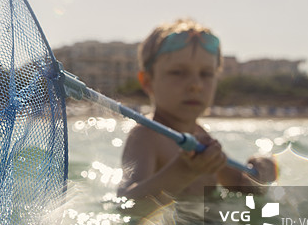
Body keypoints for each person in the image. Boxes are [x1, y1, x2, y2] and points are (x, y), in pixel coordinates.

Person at [119, 19, 277, 206]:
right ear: (147, 81)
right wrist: (184, 170)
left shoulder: (201, 134)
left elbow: (239, 185)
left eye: (206, 74)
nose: (196, 85)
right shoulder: (146, 137)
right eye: (178, 72)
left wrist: (261, 173)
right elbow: (127, 204)